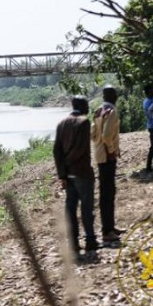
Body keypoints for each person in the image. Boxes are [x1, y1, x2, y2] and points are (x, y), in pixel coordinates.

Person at [53, 95, 99, 262]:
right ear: (82, 105)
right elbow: (81, 149)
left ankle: (73, 244)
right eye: (87, 104)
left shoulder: (62, 123)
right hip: (82, 172)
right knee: (87, 208)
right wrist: (69, 165)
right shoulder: (84, 122)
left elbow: (56, 150)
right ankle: (90, 241)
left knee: (70, 209)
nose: (88, 107)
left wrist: (62, 174)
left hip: (68, 175)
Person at [91, 85, 122, 247]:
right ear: (114, 96)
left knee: (107, 191)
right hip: (107, 157)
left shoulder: (98, 110)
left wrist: (101, 146)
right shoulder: (112, 111)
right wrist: (111, 149)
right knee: (108, 193)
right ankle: (106, 231)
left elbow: (93, 133)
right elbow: (106, 135)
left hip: (99, 155)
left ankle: (110, 227)